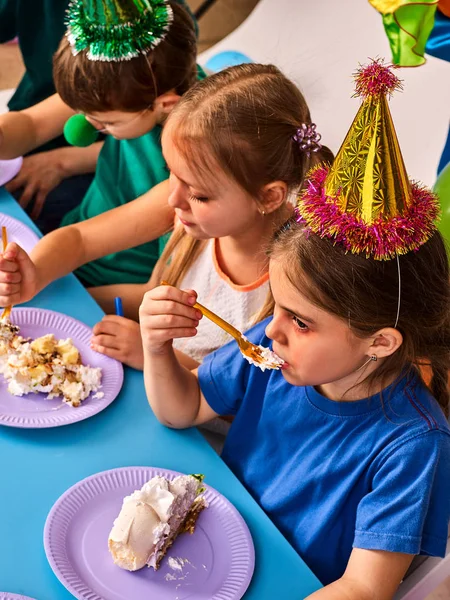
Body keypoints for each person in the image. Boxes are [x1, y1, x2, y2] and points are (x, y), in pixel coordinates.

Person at [138, 61, 450, 597]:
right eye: (277, 308)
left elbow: (362, 589)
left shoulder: (412, 445)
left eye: (300, 321)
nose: (272, 330)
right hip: (207, 547)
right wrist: (157, 347)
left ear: (380, 341)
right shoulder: (270, 348)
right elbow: (182, 409)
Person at [0, 64, 333, 372]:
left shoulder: (294, 280)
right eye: (172, 174)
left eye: (200, 194)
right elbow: (81, 240)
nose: (174, 199)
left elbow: (250, 396)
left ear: (269, 197)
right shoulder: (188, 211)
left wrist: (155, 356)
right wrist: (37, 275)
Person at [0, 0, 199, 269]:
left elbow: (86, 242)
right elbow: (33, 124)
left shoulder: (189, 170)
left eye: (107, 123)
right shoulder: (128, 86)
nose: (89, 125)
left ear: (165, 104)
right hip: (77, 236)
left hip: (109, 273)